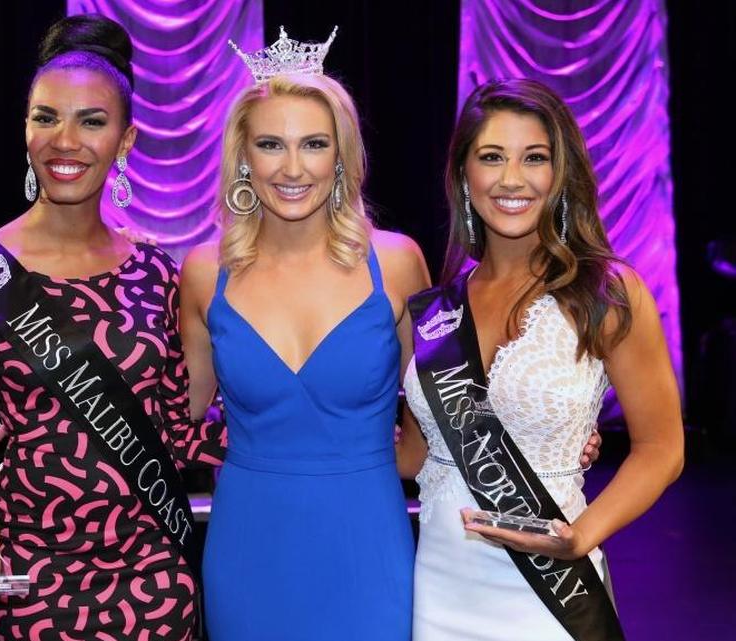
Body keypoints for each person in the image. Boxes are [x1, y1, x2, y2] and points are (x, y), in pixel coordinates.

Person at [0, 14, 223, 641]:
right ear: (25, 129)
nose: (66, 140)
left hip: (155, 585)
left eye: (92, 121)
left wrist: (306, 436)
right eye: (46, 117)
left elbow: (177, 430)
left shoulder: (157, 275)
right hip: (32, 588)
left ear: (126, 139)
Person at [398, 78, 684, 640]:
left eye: (535, 158)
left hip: (552, 590)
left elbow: (663, 449)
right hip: (441, 586)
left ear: (561, 173)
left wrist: (580, 536)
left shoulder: (606, 293)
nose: (511, 179)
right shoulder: (438, 308)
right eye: (491, 158)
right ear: (463, 175)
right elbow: (411, 456)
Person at [179, 28, 431, 640]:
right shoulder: (203, 272)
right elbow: (179, 413)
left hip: (366, 540)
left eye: (314, 144)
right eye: (271, 144)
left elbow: (441, 405)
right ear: (243, 157)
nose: (293, 168)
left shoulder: (395, 263)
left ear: (341, 156)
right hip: (248, 544)